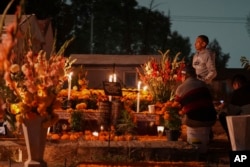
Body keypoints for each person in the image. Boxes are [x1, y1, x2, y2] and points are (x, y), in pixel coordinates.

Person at [174, 66, 217, 153]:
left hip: (195, 120)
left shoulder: (181, 88)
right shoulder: (203, 84)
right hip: (211, 118)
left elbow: (175, 106)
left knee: (194, 138)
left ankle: (195, 148)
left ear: (184, 76)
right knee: (204, 136)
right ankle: (205, 144)